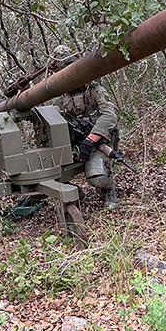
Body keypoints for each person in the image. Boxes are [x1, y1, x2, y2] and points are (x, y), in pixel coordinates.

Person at [52, 46, 119, 209]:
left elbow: (110, 116)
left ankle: (108, 190)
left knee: (97, 177)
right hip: (74, 145)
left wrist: (89, 141)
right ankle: (76, 194)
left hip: (97, 144)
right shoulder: (61, 100)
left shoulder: (94, 91)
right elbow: (51, 120)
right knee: (49, 173)